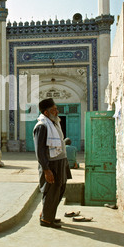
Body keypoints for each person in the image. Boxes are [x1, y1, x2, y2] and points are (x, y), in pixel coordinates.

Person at [33, 98, 71, 228]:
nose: (57, 112)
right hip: (51, 165)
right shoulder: (42, 126)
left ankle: (48, 214)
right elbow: (40, 150)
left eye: (56, 109)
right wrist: (46, 169)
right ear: (46, 112)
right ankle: (46, 220)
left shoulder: (54, 123)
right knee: (51, 191)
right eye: (53, 110)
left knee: (59, 190)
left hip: (60, 162)